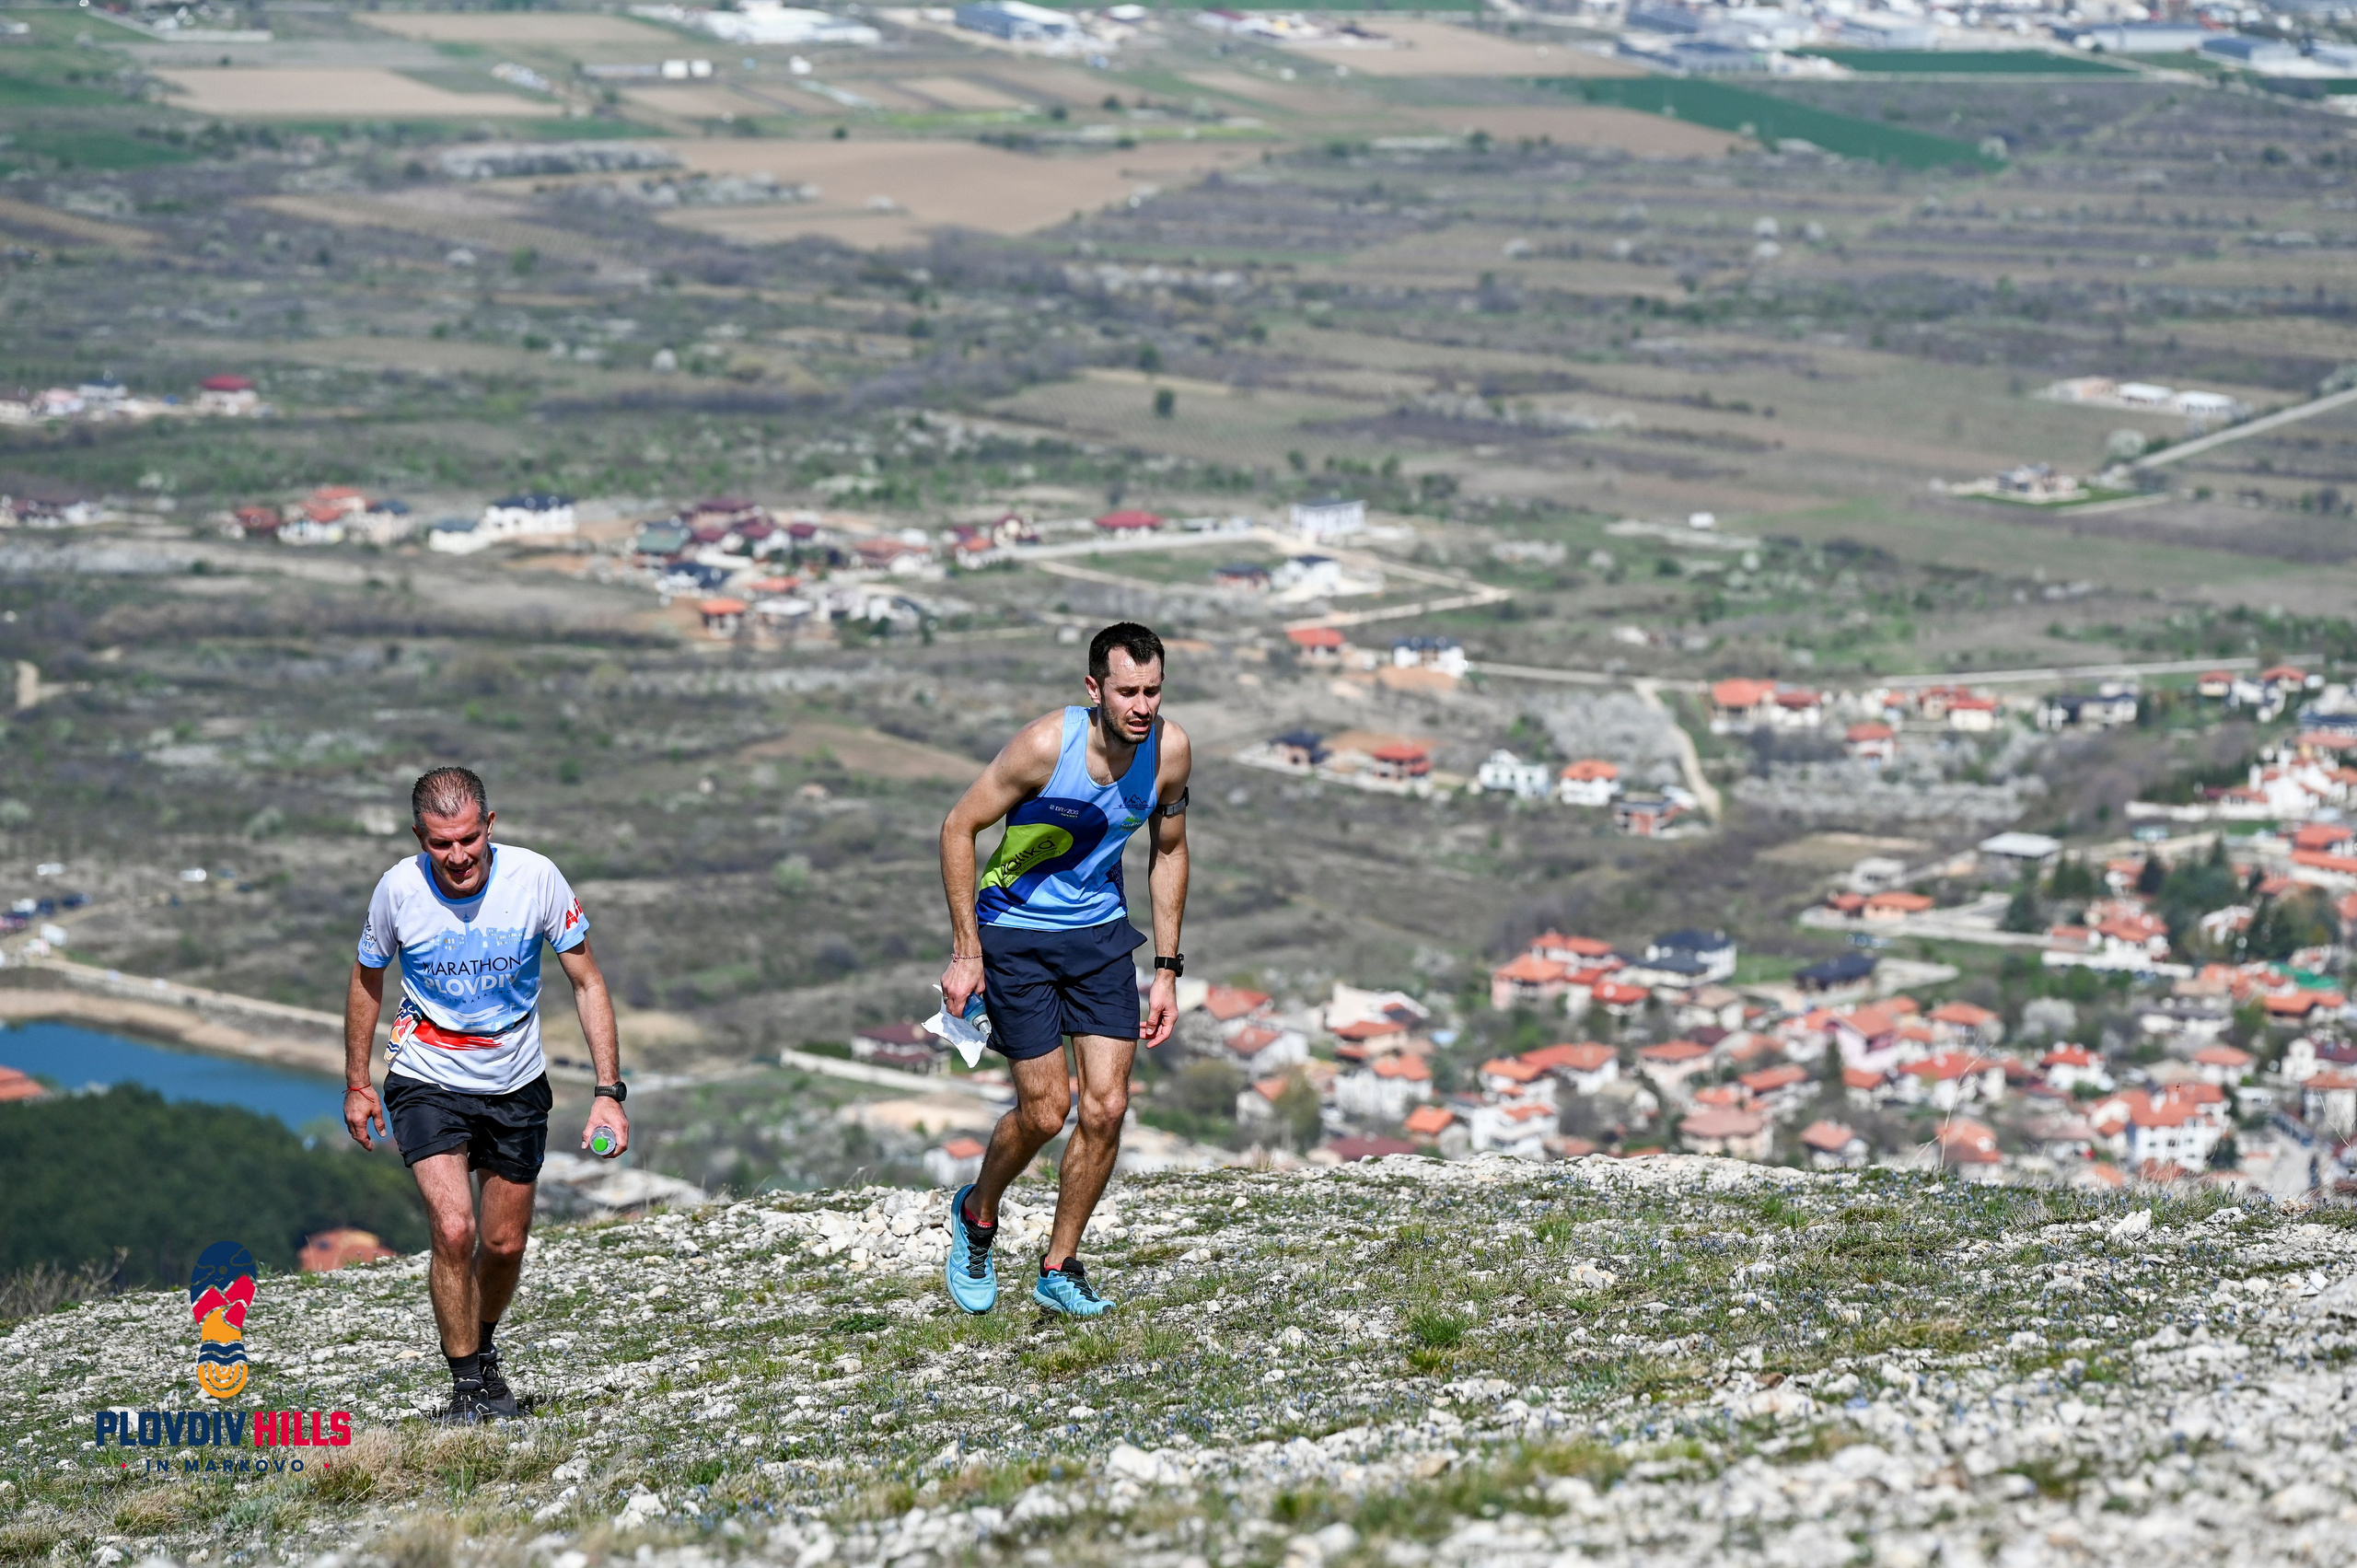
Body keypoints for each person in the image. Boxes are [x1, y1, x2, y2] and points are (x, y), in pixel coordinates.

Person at [342, 766, 629, 1421]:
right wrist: (359, 1082)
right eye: (441, 843)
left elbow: (588, 982)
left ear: (489, 826)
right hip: (425, 1076)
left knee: (502, 1245)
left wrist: (608, 1090)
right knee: (453, 1227)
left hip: (516, 1082)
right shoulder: (398, 890)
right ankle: (467, 1386)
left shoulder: (536, 879)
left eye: (469, 838)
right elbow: (366, 979)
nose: (458, 855)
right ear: (420, 836)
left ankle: (483, 1346)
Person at [937, 621, 1191, 1318]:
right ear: (1094, 688)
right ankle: (978, 1212)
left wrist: (1167, 967)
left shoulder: (1169, 753)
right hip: (1014, 933)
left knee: (1107, 1106)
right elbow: (959, 826)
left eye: (1154, 690)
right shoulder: (1048, 746)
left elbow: (1168, 850)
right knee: (1046, 1111)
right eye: (1128, 691)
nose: (1143, 706)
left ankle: (1060, 1263)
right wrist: (968, 951)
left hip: (1100, 935)